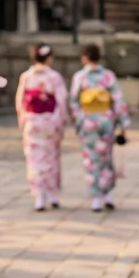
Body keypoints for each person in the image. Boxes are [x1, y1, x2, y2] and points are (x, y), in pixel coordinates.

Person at [69, 43, 130, 212]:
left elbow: (74, 101)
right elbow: (118, 100)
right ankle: (106, 194)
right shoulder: (108, 76)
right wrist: (122, 123)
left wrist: (79, 119)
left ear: (85, 58)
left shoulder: (80, 77)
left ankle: (96, 197)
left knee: (91, 159)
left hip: (88, 122)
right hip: (105, 122)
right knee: (106, 158)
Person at [15, 43, 68, 211]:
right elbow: (61, 101)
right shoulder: (54, 77)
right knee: (51, 158)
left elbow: (20, 103)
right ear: (49, 58)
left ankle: (39, 196)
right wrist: (60, 123)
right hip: (50, 121)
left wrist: (23, 122)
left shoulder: (26, 76)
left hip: (32, 121)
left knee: (34, 160)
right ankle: (52, 194)